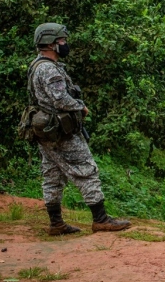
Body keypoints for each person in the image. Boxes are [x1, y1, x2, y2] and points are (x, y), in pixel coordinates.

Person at [28, 23, 131, 236]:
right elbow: (60, 99)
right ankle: (100, 219)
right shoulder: (48, 69)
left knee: (52, 174)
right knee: (86, 169)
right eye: (62, 41)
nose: (65, 44)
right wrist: (81, 107)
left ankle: (56, 223)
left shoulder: (37, 65)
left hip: (47, 130)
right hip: (61, 131)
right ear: (50, 43)